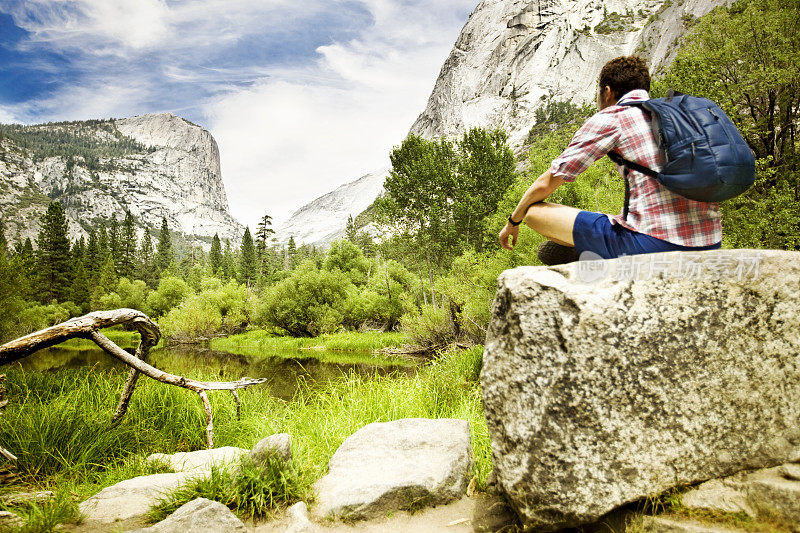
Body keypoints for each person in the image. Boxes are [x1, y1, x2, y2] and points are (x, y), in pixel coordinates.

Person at [498, 55, 722, 265]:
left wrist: (512, 222)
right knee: (617, 216)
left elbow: (547, 183)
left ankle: (594, 252)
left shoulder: (613, 117)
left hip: (656, 246)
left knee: (534, 213)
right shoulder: (675, 117)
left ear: (607, 91)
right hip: (710, 241)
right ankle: (594, 248)